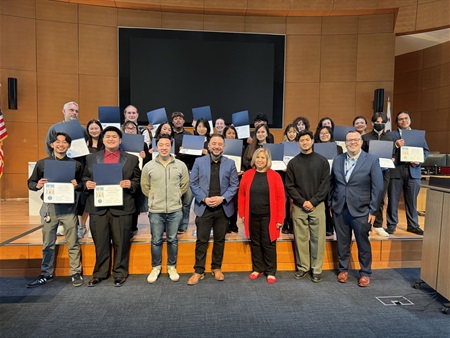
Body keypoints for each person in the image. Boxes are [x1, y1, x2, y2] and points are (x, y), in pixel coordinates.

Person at [83, 126, 141, 287]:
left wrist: (131, 184)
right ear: (103, 139)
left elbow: (138, 180)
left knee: (121, 242)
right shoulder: (91, 158)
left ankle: (119, 272)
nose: (111, 139)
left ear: (120, 140)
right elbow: (83, 178)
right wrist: (86, 183)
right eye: (108, 136)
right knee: (100, 242)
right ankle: (100, 273)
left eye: (114, 137)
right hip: (99, 207)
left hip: (122, 208)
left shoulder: (131, 159)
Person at [27, 132, 84, 287]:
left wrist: (76, 185)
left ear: (69, 145)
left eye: (64, 142)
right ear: (52, 145)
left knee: (72, 242)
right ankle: (46, 273)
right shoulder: (42, 163)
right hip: (49, 207)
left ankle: (76, 273)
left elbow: (83, 184)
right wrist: (38, 185)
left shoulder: (75, 165)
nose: (61, 144)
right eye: (57, 142)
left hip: (68, 208)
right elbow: (31, 183)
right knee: (48, 243)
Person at [330, 131, 383, 287]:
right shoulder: (338, 159)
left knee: (363, 243)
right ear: (344, 143)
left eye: (355, 140)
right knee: (342, 242)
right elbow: (332, 183)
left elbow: (378, 187)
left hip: (362, 210)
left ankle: (365, 273)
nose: (352, 142)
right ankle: (343, 270)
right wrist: (331, 204)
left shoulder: (371, 160)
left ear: (361, 142)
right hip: (340, 208)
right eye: (349, 140)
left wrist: (373, 210)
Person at [187, 134, 239, 285]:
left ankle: (216, 267)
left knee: (219, 240)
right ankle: (198, 271)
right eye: (214, 143)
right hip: (204, 207)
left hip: (223, 208)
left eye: (220, 144)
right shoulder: (199, 161)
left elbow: (234, 185)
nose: (217, 146)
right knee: (201, 240)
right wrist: (204, 198)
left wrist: (222, 198)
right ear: (208, 145)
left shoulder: (230, 163)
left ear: (223, 147)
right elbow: (193, 183)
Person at [141, 134, 189, 284]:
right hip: (156, 210)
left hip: (175, 210)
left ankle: (171, 266)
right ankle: (156, 267)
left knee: (172, 239)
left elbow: (184, 185)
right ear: (155, 147)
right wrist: (155, 198)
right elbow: (145, 187)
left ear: (171, 146)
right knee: (156, 240)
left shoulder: (180, 165)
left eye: (167, 145)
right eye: (161, 145)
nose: (164, 148)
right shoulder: (149, 166)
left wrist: (174, 196)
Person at [286, 130, 330, 283]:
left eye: (307, 140)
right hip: (299, 206)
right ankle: (303, 267)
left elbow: (325, 185)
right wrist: (302, 201)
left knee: (318, 238)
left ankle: (317, 269)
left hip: (317, 205)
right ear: (298, 143)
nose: (304, 142)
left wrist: (313, 201)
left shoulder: (322, 161)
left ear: (312, 141)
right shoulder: (293, 163)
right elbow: (290, 186)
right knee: (301, 238)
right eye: (301, 140)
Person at [238, 148, 285, 284]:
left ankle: (270, 271)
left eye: (263, 157)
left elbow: (281, 199)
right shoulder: (247, 175)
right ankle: (258, 268)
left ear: (267, 160)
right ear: (254, 159)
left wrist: (279, 219)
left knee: (269, 243)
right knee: (256, 242)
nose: (260, 160)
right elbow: (241, 195)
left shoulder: (275, 176)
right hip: (252, 215)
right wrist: (242, 213)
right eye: (258, 157)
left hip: (269, 217)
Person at [385, 111, 429, 235]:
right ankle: (391, 225)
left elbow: (426, 151)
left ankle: (413, 225)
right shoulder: (391, 135)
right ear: (396, 122)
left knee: (412, 200)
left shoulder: (417, 135)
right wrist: (396, 145)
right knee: (393, 200)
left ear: (410, 119)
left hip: (413, 171)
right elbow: (385, 151)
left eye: (406, 118)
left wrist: (419, 161)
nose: (403, 121)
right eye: (400, 119)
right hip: (396, 170)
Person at [362, 113, 391, 237]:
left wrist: (393, 159)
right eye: (377, 122)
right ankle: (366, 226)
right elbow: (362, 154)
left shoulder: (390, 138)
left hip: (384, 171)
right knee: (368, 198)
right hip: (369, 172)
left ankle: (378, 225)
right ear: (373, 123)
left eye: (382, 122)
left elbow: (394, 154)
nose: (379, 124)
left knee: (380, 198)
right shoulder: (366, 137)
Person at [122, 120, 152, 236]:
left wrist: (145, 157)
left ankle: (133, 226)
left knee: (135, 202)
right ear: (124, 130)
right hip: (123, 176)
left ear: (137, 130)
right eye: (128, 128)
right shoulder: (120, 143)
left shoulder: (142, 144)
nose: (130, 130)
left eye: (133, 128)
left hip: (137, 176)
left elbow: (148, 163)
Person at [314, 126, 342, 237]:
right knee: (322, 204)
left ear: (331, 134)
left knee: (332, 204)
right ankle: (324, 228)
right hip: (319, 180)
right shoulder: (314, 147)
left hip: (334, 180)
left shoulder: (338, 148)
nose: (324, 135)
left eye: (326, 133)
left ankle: (333, 227)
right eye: (321, 133)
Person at [171, 111, 194, 234]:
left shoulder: (189, 136)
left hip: (187, 170)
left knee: (188, 198)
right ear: (172, 121)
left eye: (180, 118)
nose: (178, 120)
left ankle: (183, 225)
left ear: (184, 121)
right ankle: (172, 225)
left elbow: (194, 156)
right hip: (171, 171)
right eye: (175, 119)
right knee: (174, 199)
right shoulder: (168, 135)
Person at [223, 125, 242, 233]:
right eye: (229, 133)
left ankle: (233, 223)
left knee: (235, 202)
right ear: (225, 134)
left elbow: (243, 163)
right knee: (225, 201)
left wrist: (241, 170)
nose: (231, 135)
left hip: (236, 178)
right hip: (223, 179)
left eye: (233, 133)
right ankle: (225, 224)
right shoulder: (221, 147)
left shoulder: (241, 147)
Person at [281, 123, 298, 234]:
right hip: (284, 176)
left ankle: (292, 223)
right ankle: (285, 222)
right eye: (289, 132)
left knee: (294, 200)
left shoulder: (300, 145)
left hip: (297, 177)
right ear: (286, 133)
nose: (291, 134)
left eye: (293, 131)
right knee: (285, 201)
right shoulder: (281, 145)